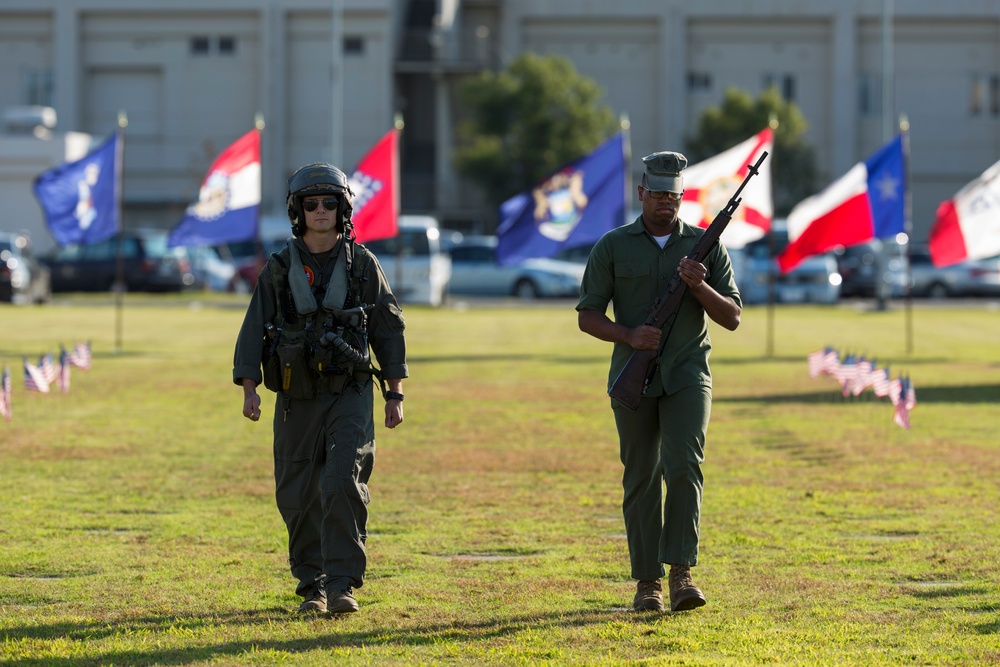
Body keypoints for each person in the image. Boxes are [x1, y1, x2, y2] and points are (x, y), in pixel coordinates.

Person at [233, 162, 407, 615]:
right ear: (298, 210)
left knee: (342, 480)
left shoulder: (364, 264)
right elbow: (254, 330)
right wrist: (250, 388)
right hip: (296, 394)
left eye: (330, 202)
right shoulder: (278, 269)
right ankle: (312, 584)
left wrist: (395, 392)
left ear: (343, 206)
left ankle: (342, 583)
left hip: (349, 390)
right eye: (311, 204)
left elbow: (388, 329)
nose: (321, 211)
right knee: (299, 491)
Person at [576, 151, 741, 613]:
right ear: (641, 193)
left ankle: (682, 573)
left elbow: (731, 317)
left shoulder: (706, 246)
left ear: (682, 196)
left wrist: (699, 285)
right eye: (657, 195)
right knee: (641, 477)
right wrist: (628, 334)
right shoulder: (612, 246)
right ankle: (647, 582)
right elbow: (588, 316)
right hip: (633, 378)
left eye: (673, 195)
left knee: (684, 466)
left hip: (689, 374)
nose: (665, 203)